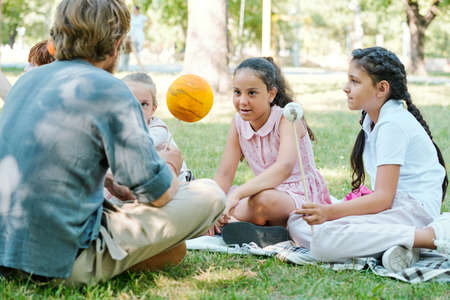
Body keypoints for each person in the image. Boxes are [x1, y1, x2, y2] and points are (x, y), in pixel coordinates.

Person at [0, 0, 225, 285]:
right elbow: (159, 195)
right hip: (61, 263)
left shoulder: (26, 82)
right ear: (116, 44)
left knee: (173, 251)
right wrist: (171, 163)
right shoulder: (110, 89)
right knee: (211, 192)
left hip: (6, 254)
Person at [288, 47, 449, 273]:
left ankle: (431, 236)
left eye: (355, 81)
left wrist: (329, 212)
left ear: (381, 88)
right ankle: (396, 245)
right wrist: (329, 213)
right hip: (395, 208)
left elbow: (383, 198)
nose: (346, 88)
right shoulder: (374, 121)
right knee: (298, 223)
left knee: (323, 241)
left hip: (413, 210)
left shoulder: (392, 124)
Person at [212, 57, 330, 234]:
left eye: (251, 93)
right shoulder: (237, 123)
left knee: (262, 202)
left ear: (271, 94)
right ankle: (244, 222)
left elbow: (284, 168)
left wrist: (237, 195)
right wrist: (214, 209)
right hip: (262, 190)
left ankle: (247, 222)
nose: (242, 101)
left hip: (298, 195)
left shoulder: (287, 119)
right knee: (207, 194)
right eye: (237, 92)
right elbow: (225, 174)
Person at [104, 72, 194, 204]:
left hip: (176, 185)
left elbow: (139, 147)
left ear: (153, 109)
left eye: (144, 104)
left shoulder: (157, 129)